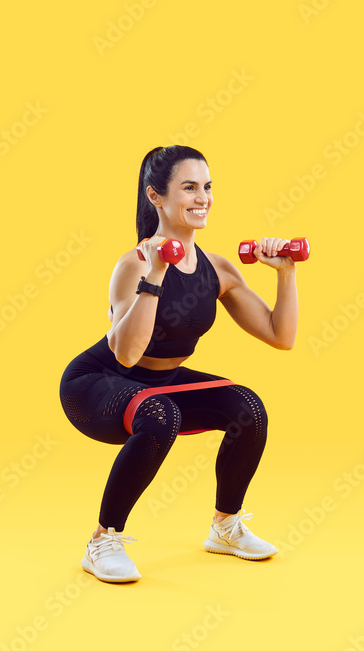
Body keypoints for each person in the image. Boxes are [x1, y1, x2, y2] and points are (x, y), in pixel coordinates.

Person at [58, 145, 299, 583]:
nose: (202, 198)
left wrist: (285, 272)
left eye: (207, 187)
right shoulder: (133, 265)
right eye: (189, 187)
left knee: (248, 406)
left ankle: (225, 527)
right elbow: (127, 355)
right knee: (160, 413)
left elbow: (280, 336)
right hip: (97, 384)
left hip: (159, 382)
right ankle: (102, 541)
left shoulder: (218, 268)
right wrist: (156, 275)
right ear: (156, 197)